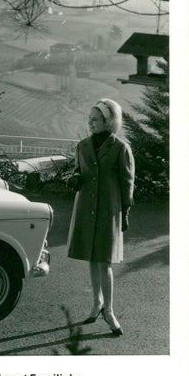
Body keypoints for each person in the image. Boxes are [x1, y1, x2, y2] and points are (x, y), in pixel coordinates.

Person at [67, 98, 134, 336]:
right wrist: (74, 177)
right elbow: (78, 169)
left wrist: (125, 211)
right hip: (86, 207)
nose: (90, 123)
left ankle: (109, 309)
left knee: (104, 261)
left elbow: (127, 182)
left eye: (95, 120)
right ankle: (96, 304)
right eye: (89, 119)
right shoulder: (82, 146)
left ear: (108, 121)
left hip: (108, 210)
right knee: (92, 259)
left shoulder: (120, 148)